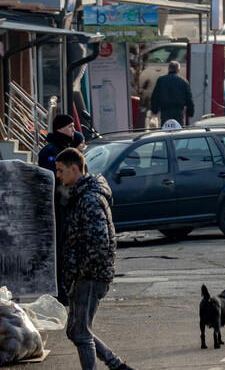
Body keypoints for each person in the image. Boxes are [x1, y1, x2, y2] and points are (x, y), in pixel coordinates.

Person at [55, 148, 133, 370]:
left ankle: (115, 364)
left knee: (80, 332)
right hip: (84, 276)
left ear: (74, 168)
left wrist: (81, 272)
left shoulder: (89, 198)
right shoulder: (80, 195)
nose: (58, 176)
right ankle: (116, 365)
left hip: (90, 276)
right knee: (76, 331)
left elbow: (99, 243)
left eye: (60, 171)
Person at [39, 113, 76, 306]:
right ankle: (57, 289)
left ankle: (63, 286)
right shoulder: (50, 151)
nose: (73, 130)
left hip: (62, 207)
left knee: (65, 249)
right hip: (53, 208)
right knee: (57, 250)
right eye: (70, 127)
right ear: (60, 128)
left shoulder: (63, 149)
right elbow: (52, 181)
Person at [149, 60, 194, 126]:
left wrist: (155, 111)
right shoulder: (183, 81)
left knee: (165, 130)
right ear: (178, 70)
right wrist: (190, 112)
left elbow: (155, 96)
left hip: (165, 110)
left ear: (168, 69)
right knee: (178, 130)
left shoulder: (161, 80)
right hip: (179, 110)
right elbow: (189, 98)